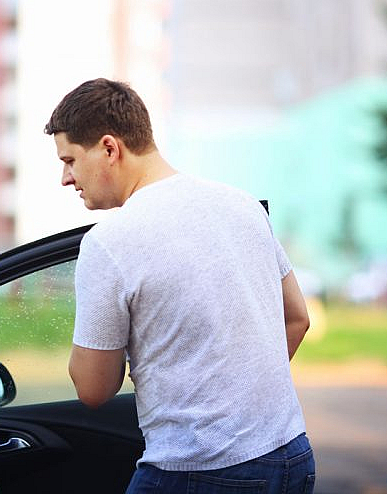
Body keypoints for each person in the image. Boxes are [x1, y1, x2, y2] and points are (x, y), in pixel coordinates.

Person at [44, 78, 316, 494]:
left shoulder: (110, 241)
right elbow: (296, 319)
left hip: (197, 470)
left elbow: (93, 389)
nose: (66, 178)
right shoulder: (241, 205)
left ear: (109, 148)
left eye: (70, 160)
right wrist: (240, 402)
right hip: (291, 454)